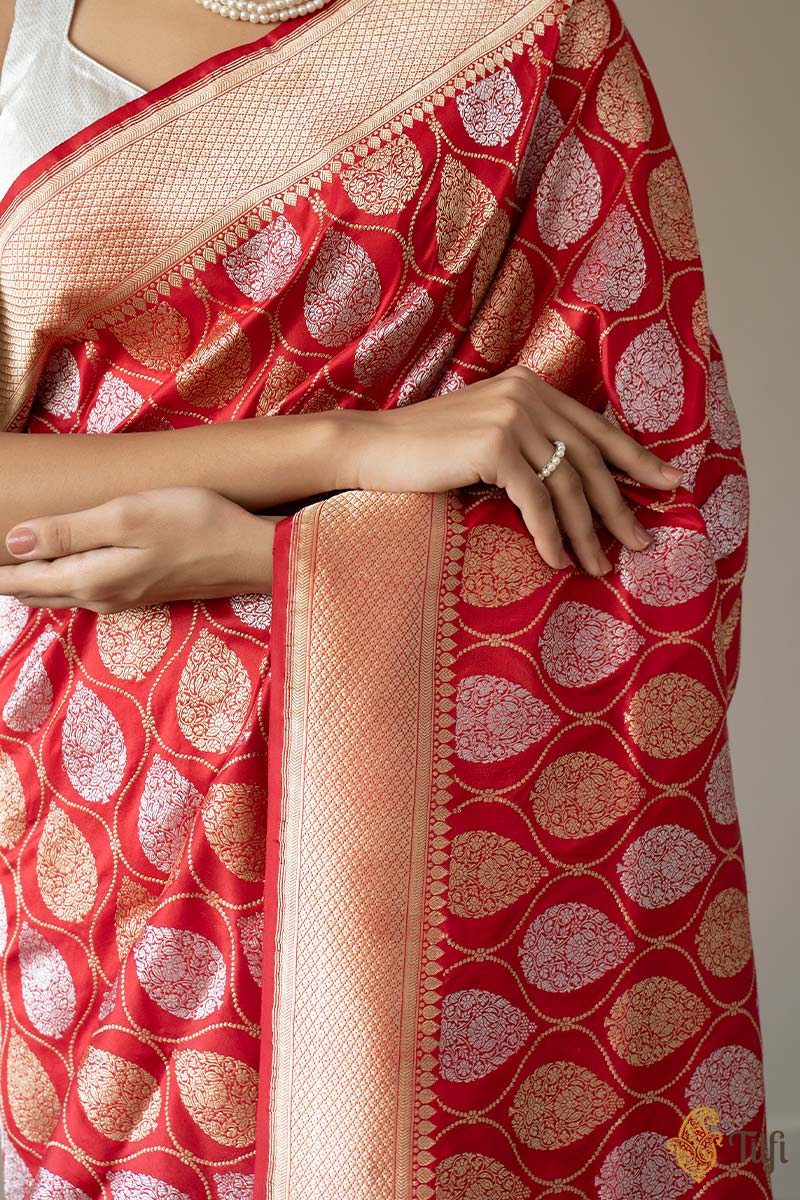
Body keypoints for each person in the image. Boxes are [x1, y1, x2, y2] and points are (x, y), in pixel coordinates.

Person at [0, 0, 773, 1197]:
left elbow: (676, 528)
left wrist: (272, 560)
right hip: (87, 845)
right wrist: (347, 449)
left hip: (405, 878)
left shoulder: (530, 35)